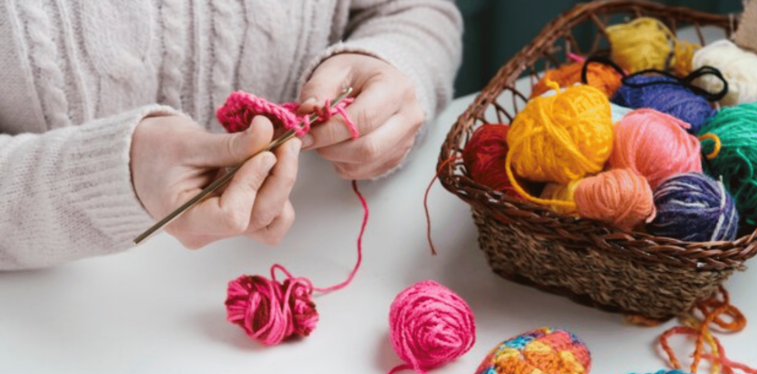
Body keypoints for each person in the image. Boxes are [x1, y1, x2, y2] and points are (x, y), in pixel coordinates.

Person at [0, 1, 462, 270]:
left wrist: (395, 68)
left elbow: (414, 10)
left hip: (319, 247)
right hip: (52, 317)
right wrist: (110, 174)